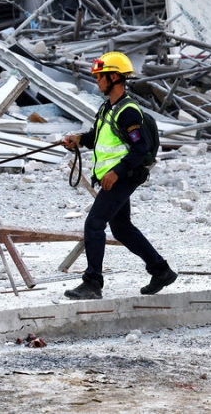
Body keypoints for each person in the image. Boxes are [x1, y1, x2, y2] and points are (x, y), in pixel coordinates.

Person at [62, 51, 177, 300]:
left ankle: (92, 283)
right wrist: (78, 139)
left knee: (94, 224)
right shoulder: (108, 108)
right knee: (122, 227)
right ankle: (161, 271)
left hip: (124, 176)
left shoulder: (128, 112)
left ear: (114, 77)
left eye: (100, 76)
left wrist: (116, 172)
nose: (97, 81)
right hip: (115, 176)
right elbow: (97, 137)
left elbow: (141, 147)